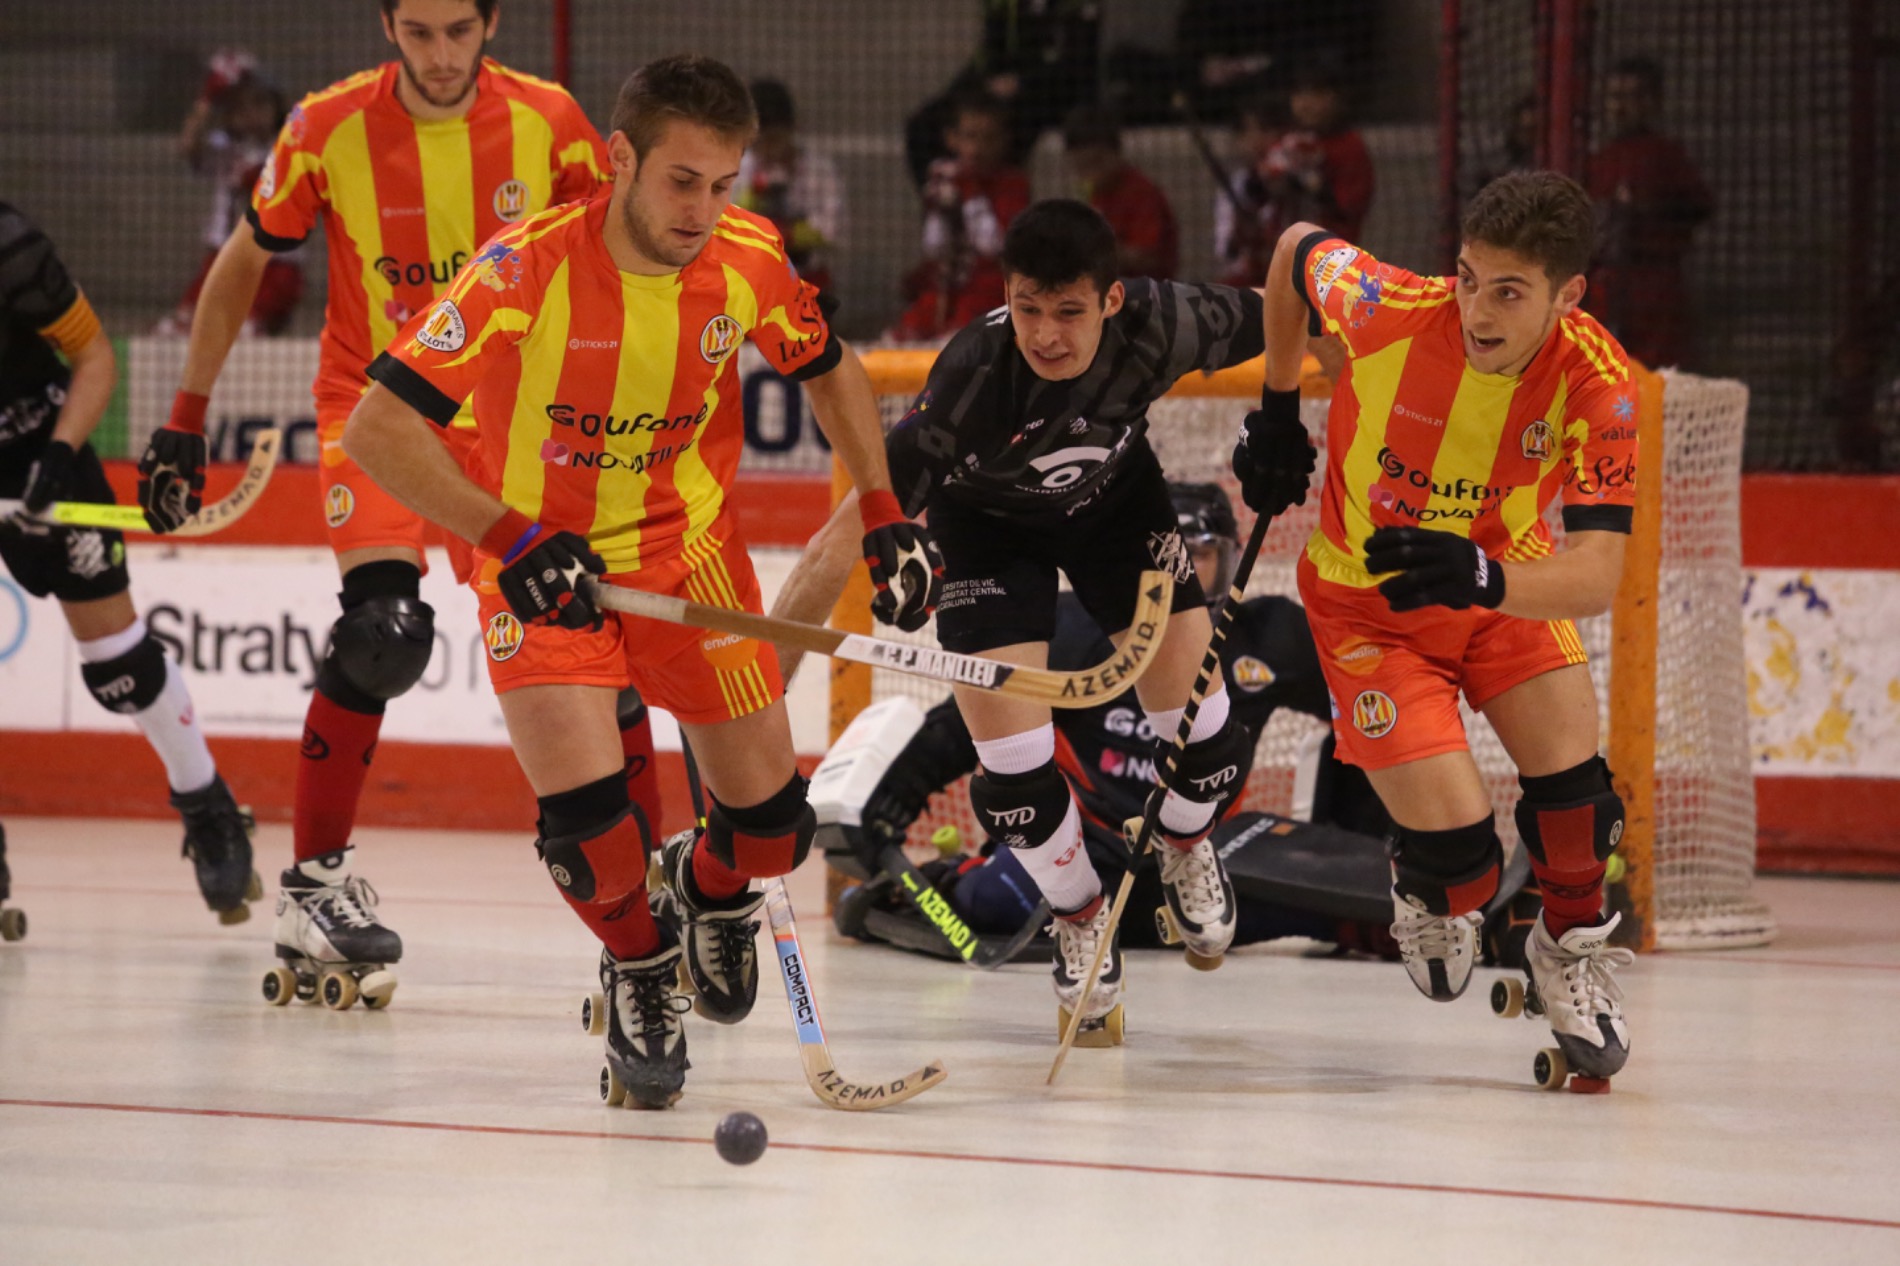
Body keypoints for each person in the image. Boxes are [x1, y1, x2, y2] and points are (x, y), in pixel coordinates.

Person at [339, 54, 941, 1107]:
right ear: (620, 159)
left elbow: (829, 366)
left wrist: (882, 504)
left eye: (725, 183)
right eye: (682, 182)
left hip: (686, 555)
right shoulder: (524, 268)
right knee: (588, 837)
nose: (703, 210)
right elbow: (376, 428)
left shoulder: (748, 259)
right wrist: (512, 538)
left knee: (773, 832)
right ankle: (640, 967)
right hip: (538, 568)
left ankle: (707, 891)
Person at [135, 0, 616, 1005]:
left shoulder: (555, 124)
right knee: (382, 635)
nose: (440, 55)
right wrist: (186, 414)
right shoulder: (325, 127)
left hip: (508, 416)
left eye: (459, 31)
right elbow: (244, 259)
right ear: (387, 24)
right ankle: (314, 888)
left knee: (584, 630)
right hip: (376, 408)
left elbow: (621, 262)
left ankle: (639, 893)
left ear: (493, 22)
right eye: (419, 32)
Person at [1237, 170, 1641, 1086]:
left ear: (1568, 296)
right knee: (1464, 865)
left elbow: (1596, 575)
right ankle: (1431, 891)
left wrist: (1487, 577)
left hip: (1498, 588)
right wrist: (1277, 407)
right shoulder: (1389, 309)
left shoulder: (1599, 383)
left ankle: (1567, 956)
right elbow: (1294, 249)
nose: (1477, 310)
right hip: (1366, 605)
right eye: (1468, 277)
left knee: (1581, 815)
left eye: (1510, 292)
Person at [875, 197, 1282, 1042]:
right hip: (986, 536)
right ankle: (1080, 915)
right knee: (1014, 780)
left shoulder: (1164, 323)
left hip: (1114, 511)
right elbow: (872, 508)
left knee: (1206, 742)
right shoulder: (971, 376)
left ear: (1112, 300)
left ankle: (1184, 845)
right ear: (1006, 294)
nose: (1047, 335)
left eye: (1068, 312)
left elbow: (1299, 304)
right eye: (1028, 308)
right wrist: (888, 561)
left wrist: (1281, 421)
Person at [0, 202, 257, 923]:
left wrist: (56, 461)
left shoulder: (12, 250)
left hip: (42, 448)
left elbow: (95, 357)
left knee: (118, 664)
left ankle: (207, 804)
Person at [155, 51, 304, 339]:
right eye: (241, 106)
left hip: (275, 267)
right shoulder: (224, 145)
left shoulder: (289, 144)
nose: (252, 113)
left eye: (261, 103)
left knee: (242, 334)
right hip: (222, 262)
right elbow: (188, 146)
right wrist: (207, 99)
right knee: (176, 329)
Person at [1585, 56, 1712, 369]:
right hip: (1608, 284)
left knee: (1655, 371)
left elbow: (1698, 206)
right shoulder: (1599, 160)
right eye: (1615, 97)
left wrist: (1648, 209)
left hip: (1654, 284)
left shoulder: (1665, 155)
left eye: (1632, 97)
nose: (1621, 107)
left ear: (1652, 103)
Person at [903, 0, 1102, 189]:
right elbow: (990, 48)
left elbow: (1079, 61)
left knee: (1010, 121)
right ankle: (943, 200)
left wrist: (1022, 82)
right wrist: (982, 81)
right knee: (923, 125)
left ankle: (1003, 200)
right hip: (1000, 83)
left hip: (1054, 89)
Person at [1214, 71, 1373, 293]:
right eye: (1300, 95)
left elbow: (1344, 210)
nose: (1306, 104)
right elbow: (1255, 189)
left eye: (1317, 94)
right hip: (1275, 264)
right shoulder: (1292, 143)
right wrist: (1268, 185)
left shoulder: (1350, 148)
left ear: (1337, 98)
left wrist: (1305, 183)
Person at [890, 93, 1031, 343]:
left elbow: (992, 246)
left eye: (988, 139)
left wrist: (969, 192)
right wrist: (939, 206)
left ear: (1003, 141)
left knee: (957, 341)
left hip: (991, 289)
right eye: (970, 137)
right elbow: (934, 247)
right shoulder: (947, 177)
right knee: (901, 336)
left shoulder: (1014, 184)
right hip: (950, 286)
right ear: (952, 139)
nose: (976, 149)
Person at [733, 79, 846, 296]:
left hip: (808, 280)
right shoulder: (740, 168)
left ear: (791, 130)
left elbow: (832, 230)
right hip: (752, 282)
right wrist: (754, 195)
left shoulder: (818, 170)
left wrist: (787, 235)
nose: (768, 149)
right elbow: (726, 224)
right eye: (759, 142)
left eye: (774, 139)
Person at [1062, 106, 1178, 281]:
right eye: (1082, 168)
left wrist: (1094, 251)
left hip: (1146, 290)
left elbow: (1148, 257)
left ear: (1116, 153)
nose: (1091, 175)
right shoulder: (1090, 194)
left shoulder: (1141, 193)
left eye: (1097, 163)